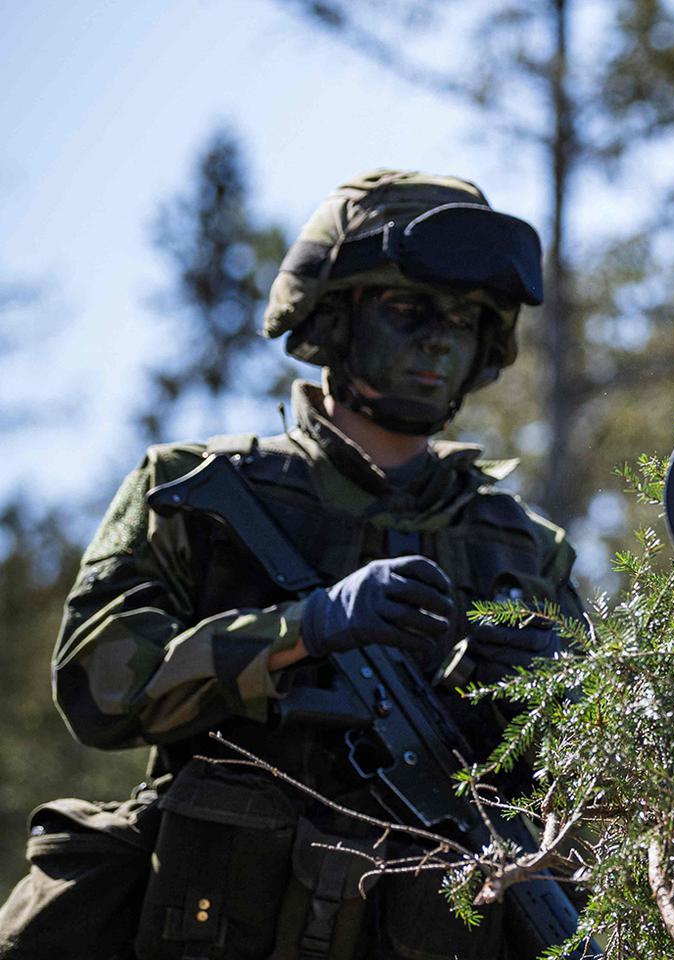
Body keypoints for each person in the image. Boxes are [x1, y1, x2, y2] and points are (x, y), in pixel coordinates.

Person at [0, 170, 580, 959]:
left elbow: (604, 790)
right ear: (334, 319)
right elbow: (98, 686)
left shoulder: (525, 547)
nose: (440, 339)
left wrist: (562, 694)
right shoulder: (202, 494)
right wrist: (304, 629)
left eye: (466, 319)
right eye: (409, 312)